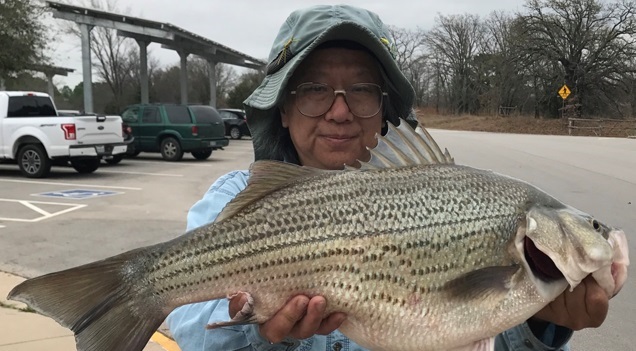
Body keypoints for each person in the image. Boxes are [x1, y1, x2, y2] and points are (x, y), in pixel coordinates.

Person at [166, 4, 611, 351]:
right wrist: (259, 337)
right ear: (281, 108)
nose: (338, 111)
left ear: (384, 110)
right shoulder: (233, 200)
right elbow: (194, 333)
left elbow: (473, 333)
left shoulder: (449, 190)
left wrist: (541, 323)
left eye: (361, 90)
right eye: (314, 89)